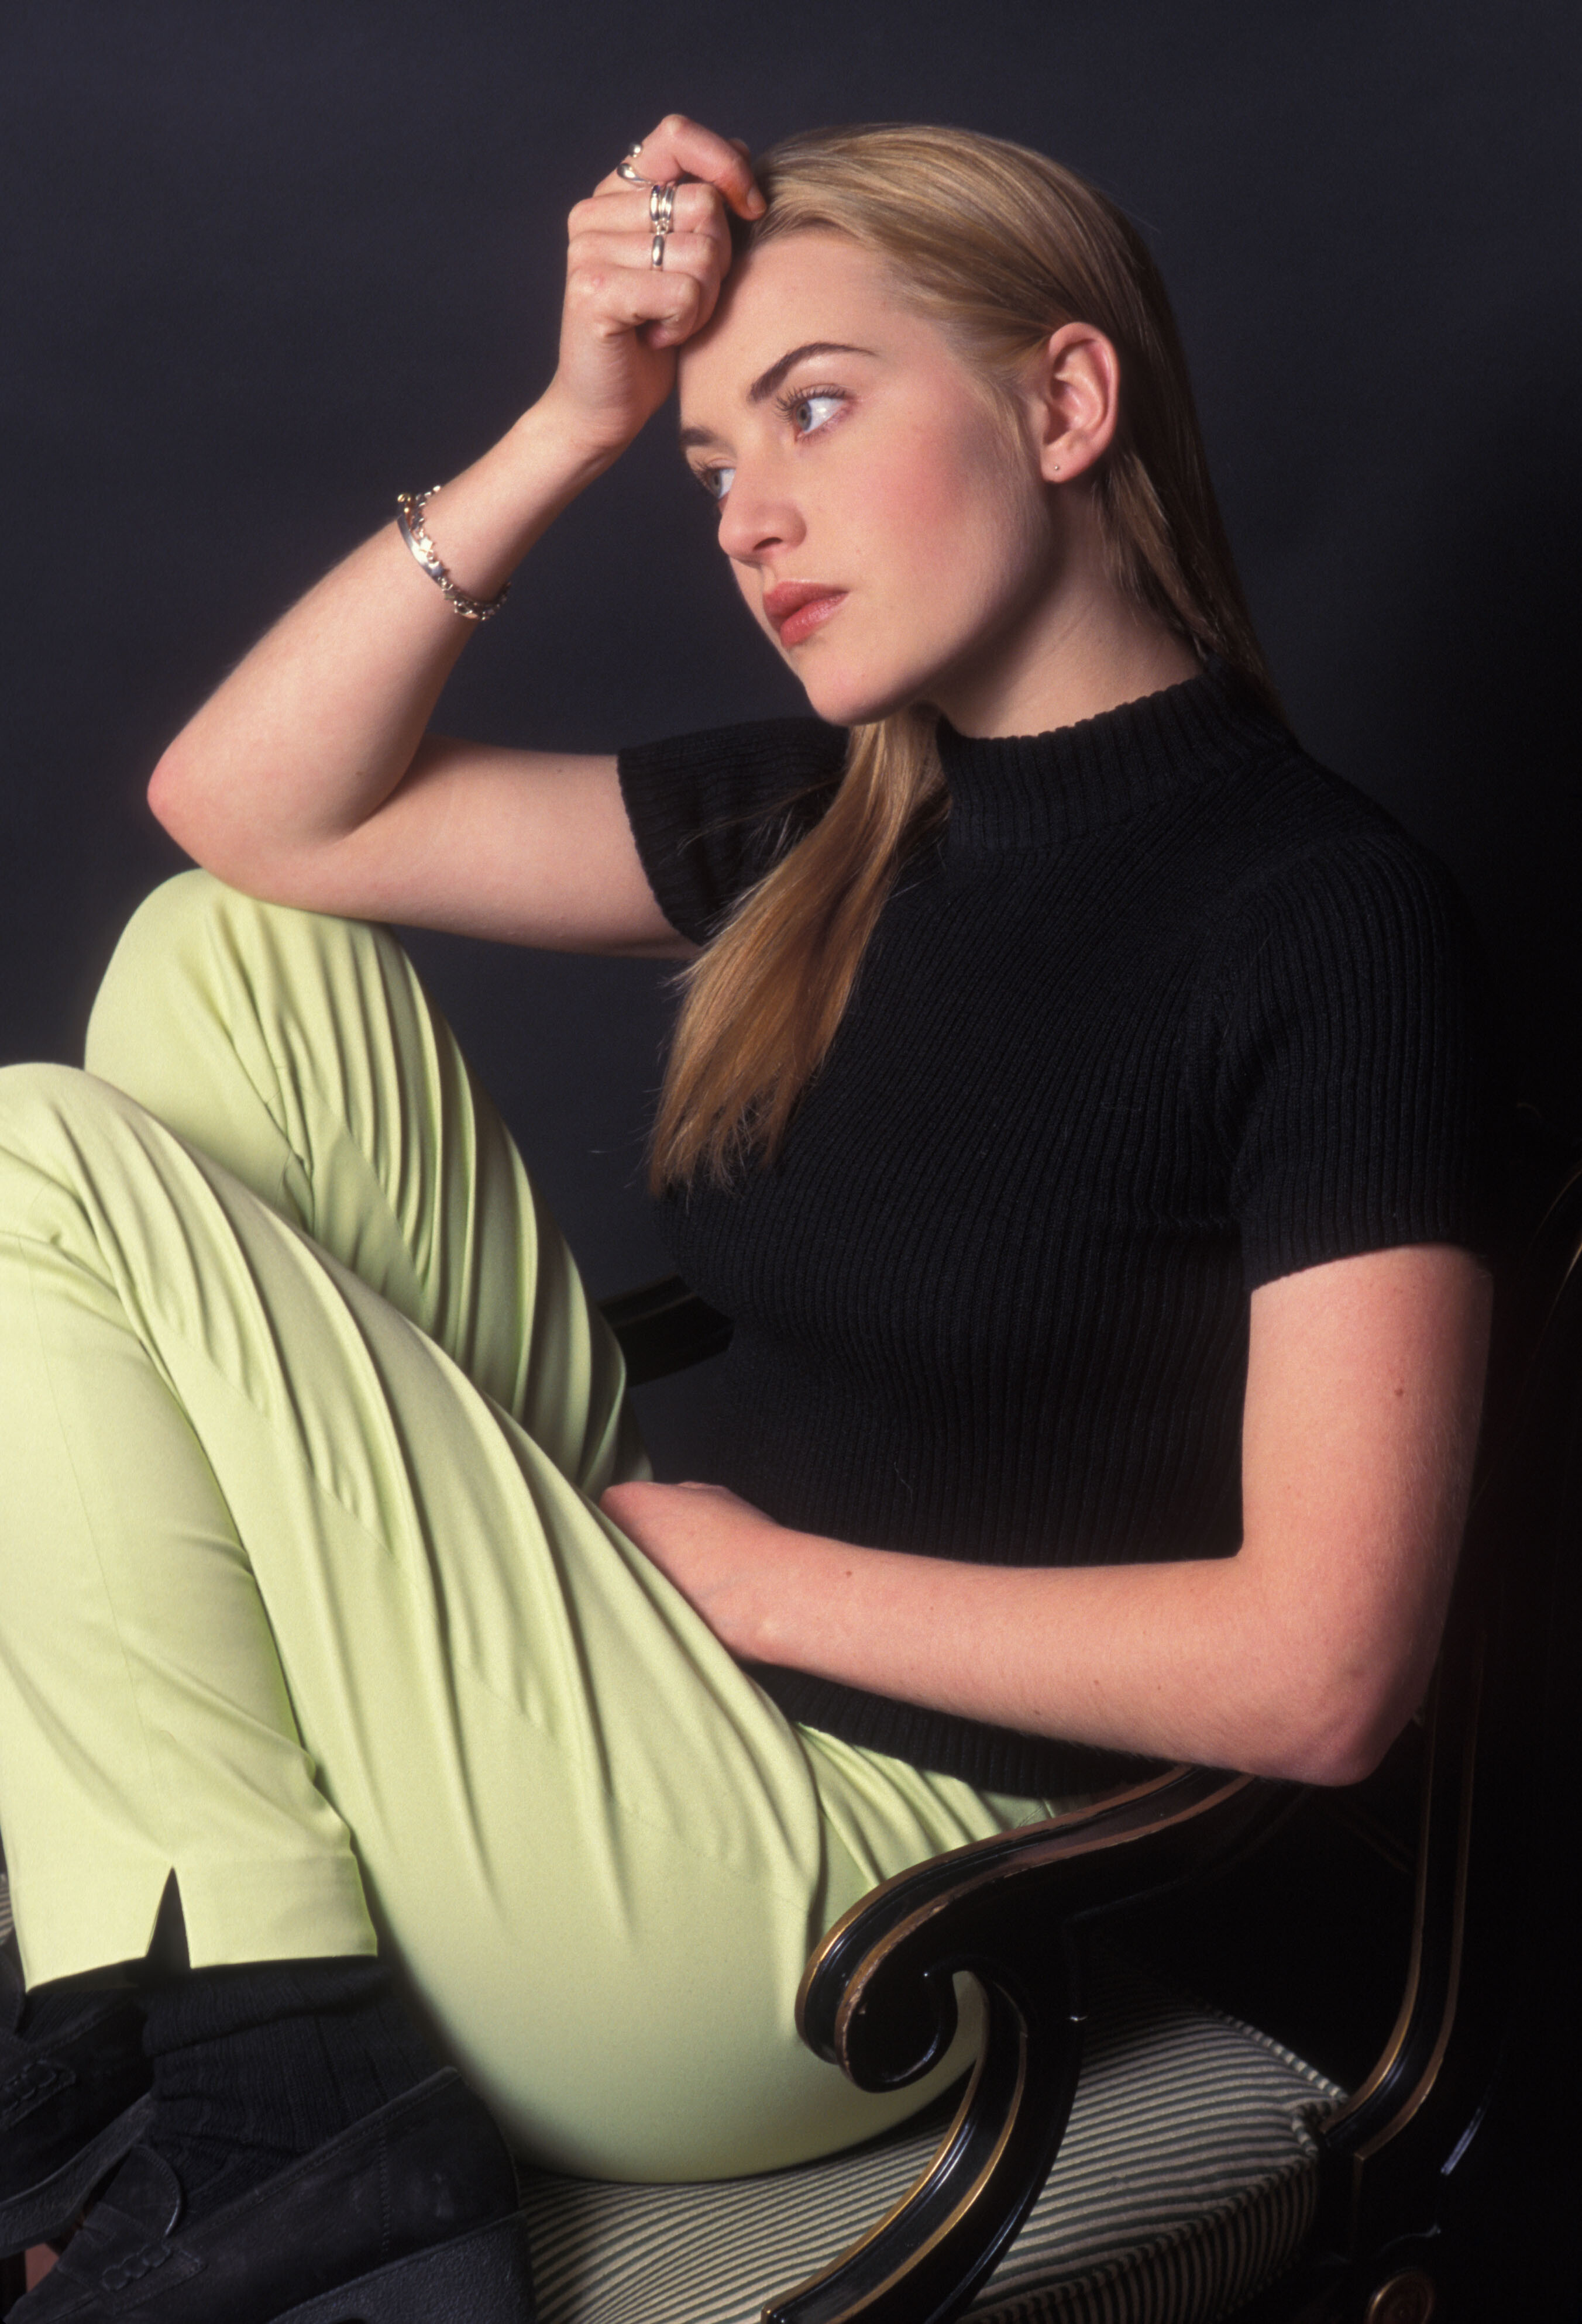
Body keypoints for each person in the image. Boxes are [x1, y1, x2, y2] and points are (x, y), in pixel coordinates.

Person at [0, 113, 1496, 2322]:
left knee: (35, 1155)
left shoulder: (1324, 921)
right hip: (665, 1709)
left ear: (1064, 403)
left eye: (811, 409)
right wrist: (567, 423)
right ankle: (252, 2025)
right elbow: (242, 807)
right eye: (707, 465)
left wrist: (770, 1586)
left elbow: (1329, 1672)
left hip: (890, 1919)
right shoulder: (834, 824)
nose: (745, 520)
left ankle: (252, 2092)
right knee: (225, 953)